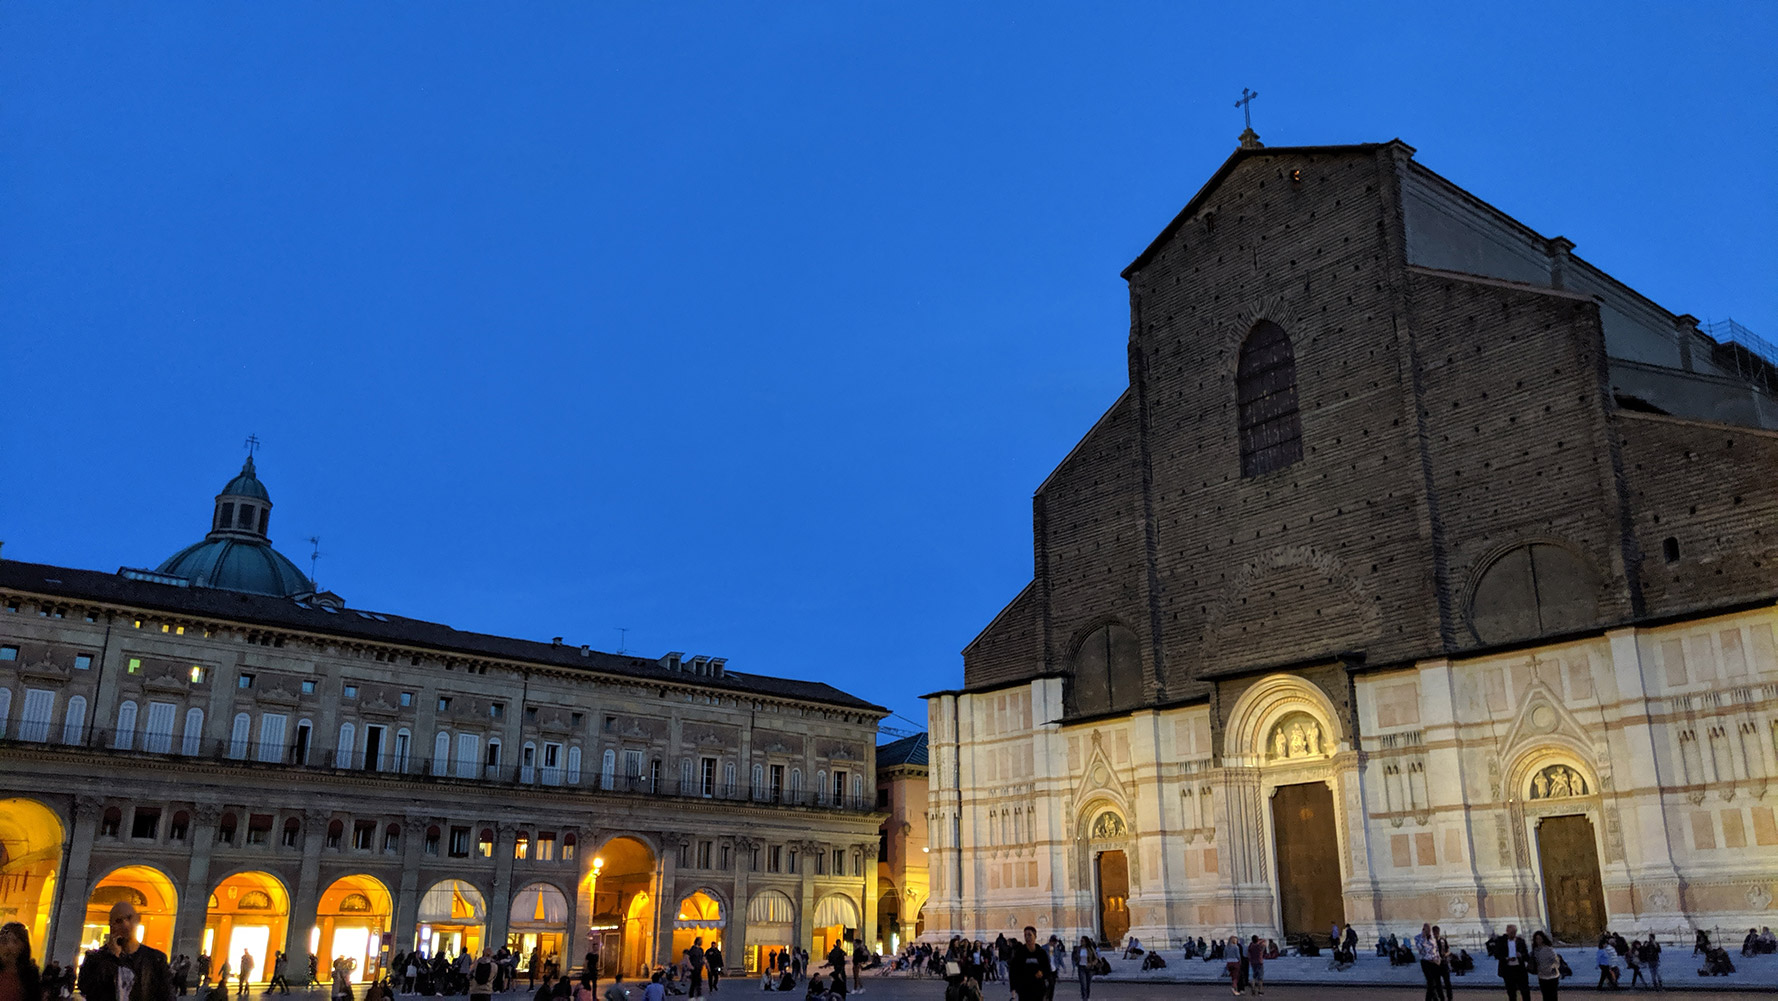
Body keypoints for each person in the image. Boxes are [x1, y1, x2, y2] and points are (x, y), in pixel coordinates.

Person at [79, 902, 174, 1001]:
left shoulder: (155, 959)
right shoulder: (94, 959)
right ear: (111, 926)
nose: (125, 924)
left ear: (137, 920)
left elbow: (167, 995)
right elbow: (87, 989)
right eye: (119, 921)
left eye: (129, 918)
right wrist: (111, 958)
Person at [0, 922, 42, 1001]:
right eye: (5, 941)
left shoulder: (29, 974)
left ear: (23, 946)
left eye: (15, 941)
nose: (9, 946)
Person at [1007, 928, 1051, 1001]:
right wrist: (1013, 988)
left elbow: (1047, 969)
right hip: (1024, 989)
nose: (1027, 937)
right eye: (1025, 935)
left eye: (1030, 935)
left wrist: (1042, 973)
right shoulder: (1020, 953)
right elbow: (1013, 971)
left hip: (1038, 989)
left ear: (1035, 936)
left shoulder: (1041, 953)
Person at [1495, 924, 1531, 1001]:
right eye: (1511, 932)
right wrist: (1506, 958)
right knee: (1511, 992)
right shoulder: (1501, 941)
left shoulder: (1520, 941)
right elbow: (1497, 954)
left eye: (1514, 932)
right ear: (1507, 931)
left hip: (1520, 969)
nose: (1513, 934)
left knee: (1525, 991)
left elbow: (1526, 955)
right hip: (1508, 970)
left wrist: (1520, 955)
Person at [1413, 923, 1440, 1001]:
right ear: (1423, 929)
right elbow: (1420, 948)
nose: (1428, 930)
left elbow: (1436, 949)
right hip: (1425, 962)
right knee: (1430, 981)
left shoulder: (1432, 938)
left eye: (1429, 929)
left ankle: (1435, 998)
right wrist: (1423, 937)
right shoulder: (1418, 938)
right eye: (1426, 929)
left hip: (1434, 961)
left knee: (1433, 982)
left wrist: (1438, 959)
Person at [1530, 931, 1559, 1001]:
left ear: (1543, 939)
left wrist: (1552, 967)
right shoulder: (1535, 950)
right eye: (1536, 939)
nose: (1538, 941)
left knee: (1553, 996)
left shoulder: (1549, 949)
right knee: (1546, 996)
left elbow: (1556, 961)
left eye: (1540, 938)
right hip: (1542, 976)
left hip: (1552, 976)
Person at [1431, 925, 1452, 999]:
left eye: (1436, 932)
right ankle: (1442, 998)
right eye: (1434, 932)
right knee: (1437, 984)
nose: (1435, 934)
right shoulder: (1431, 942)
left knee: (1447, 982)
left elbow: (1448, 950)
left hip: (1443, 963)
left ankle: (1450, 998)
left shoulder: (1443, 940)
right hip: (1435, 965)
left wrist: (1445, 955)